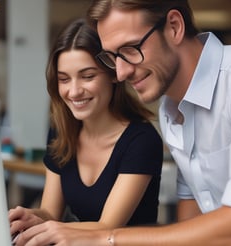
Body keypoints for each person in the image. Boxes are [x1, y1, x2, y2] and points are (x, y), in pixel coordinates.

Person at [43, 1, 231, 245]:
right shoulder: (171, 110)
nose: (120, 73)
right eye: (113, 57)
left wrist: (106, 238)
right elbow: (191, 222)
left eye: (130, 50)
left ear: (174, 27)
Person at [8, 18, 163, 245]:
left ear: (113, 73)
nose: (74, 91)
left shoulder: (141, 140)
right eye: (64, 79)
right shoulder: (61, 131)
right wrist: (30, 218)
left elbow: (107, 227)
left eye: (87, 76)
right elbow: (51, 213)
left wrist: (49, 227)